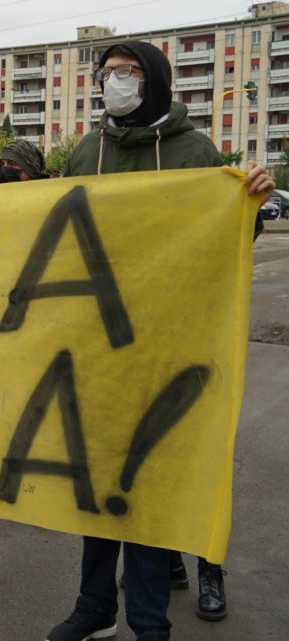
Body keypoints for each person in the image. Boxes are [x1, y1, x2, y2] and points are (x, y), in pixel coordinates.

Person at [44, 40, 273, 641]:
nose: (114, 81)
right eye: (108, 72)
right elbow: (42, 234)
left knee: (149, 487)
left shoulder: (194, 150)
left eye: (129, 72)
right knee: (96, 487)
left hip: (168, 350)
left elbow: (220, 249)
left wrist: (245, 206)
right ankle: (95, 606)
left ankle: (148, 620)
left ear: (157, 81)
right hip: (94, 351)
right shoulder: (85, 151)